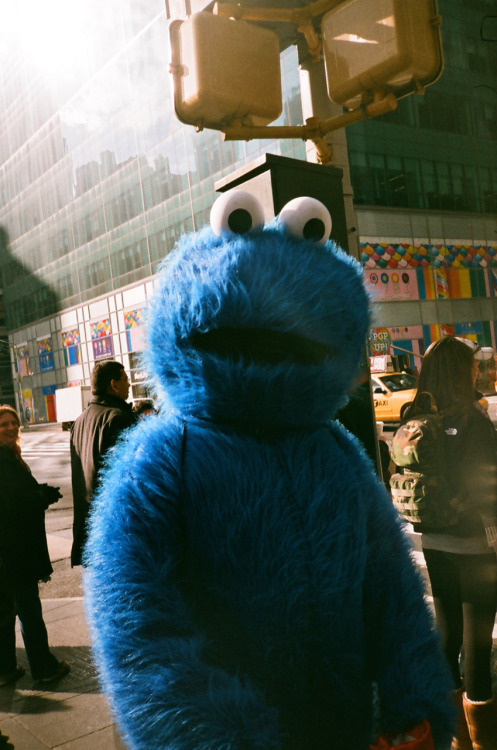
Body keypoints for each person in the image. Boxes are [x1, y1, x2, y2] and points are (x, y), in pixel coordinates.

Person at [406, 337, 497, 750]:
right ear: (462, 371)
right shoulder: (473, 419)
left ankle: (453, 736)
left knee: (447, 635)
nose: (477, 371)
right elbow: (487, 484)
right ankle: (483, 740)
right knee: (478, 640)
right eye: (473, 366)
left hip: (434, 540)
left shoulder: (416, 414)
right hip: (474, 544)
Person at [0, 405, 70, 685]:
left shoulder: (9, 456)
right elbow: (15, 503)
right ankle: (43, 668)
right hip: (16, 549)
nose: (10, 427)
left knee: (7, 611)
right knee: (29, 610)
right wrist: (41, 496)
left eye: (13, 423)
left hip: (7, 549)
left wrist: (38, 491)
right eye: (3, 424)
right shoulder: (4, 459)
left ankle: (4, 670)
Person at [70, 360, 135, 566]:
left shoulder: (79, 422)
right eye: (126, 379)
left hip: (88, 527)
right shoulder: (119, 418)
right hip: (117, 527)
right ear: (113, 385)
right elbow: (131, 478)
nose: (130, 384)